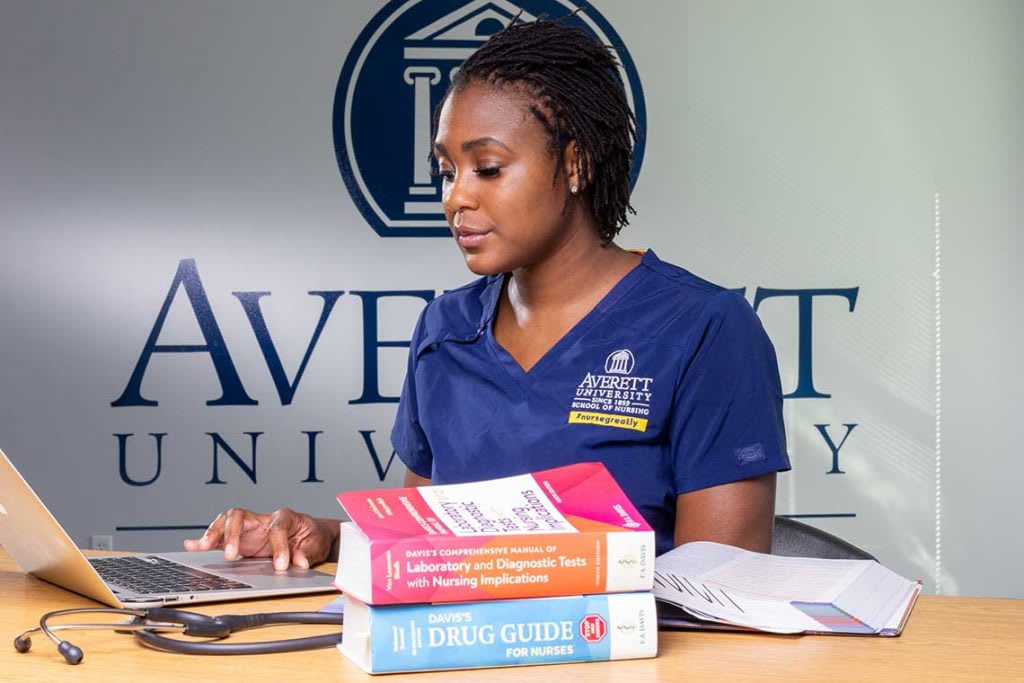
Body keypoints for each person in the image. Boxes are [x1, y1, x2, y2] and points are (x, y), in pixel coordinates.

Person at [185, 17, 790, 571]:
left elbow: (723, 595)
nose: (455, 198)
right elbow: (426, 548)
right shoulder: (444, 330)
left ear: (575, 163)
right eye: (447, 171)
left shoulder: (706, 329)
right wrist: (322, 536)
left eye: (489, 169)